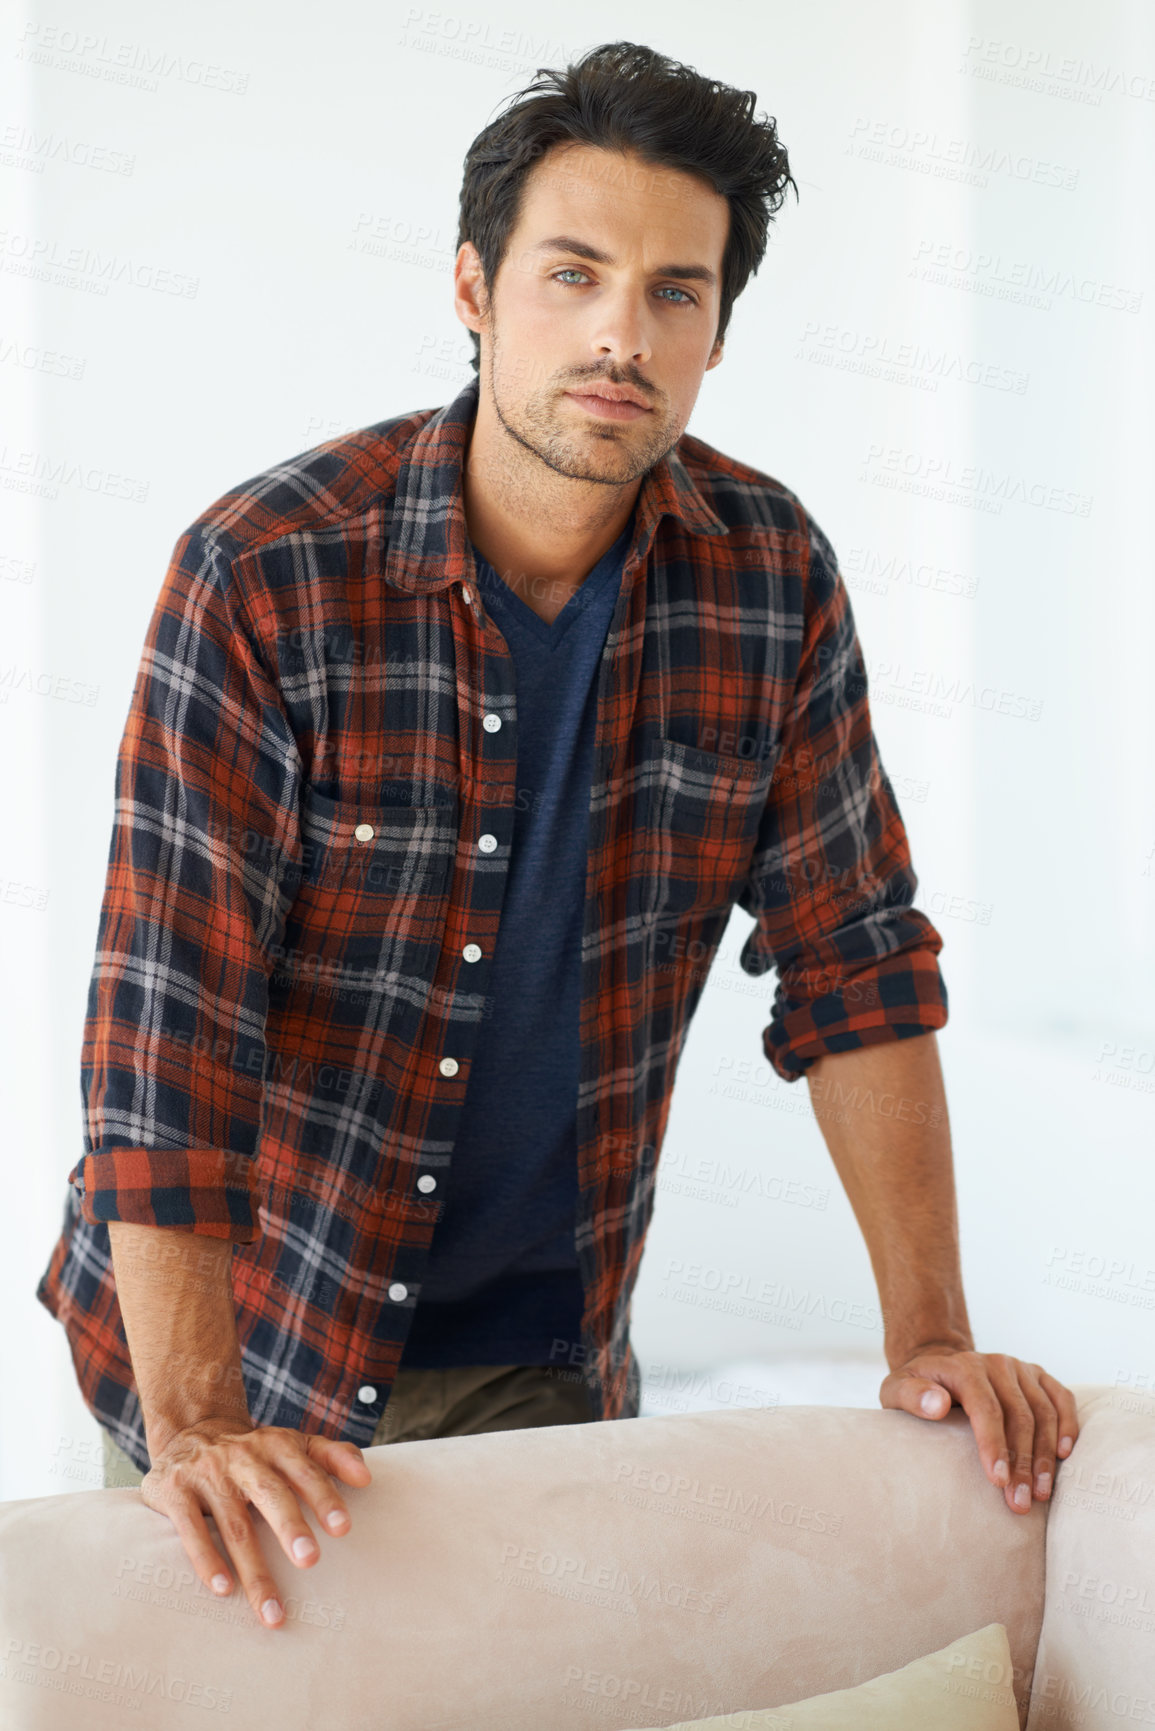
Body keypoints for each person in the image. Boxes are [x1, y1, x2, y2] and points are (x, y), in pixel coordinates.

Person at [36, 39, 1079, 1632]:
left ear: (720, 328)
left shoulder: (769, 578)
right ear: (474, 284)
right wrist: (194, 1423)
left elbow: (855, 964)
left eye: (675, 290)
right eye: (573, 272)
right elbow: (166, 1031)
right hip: (235, 1361)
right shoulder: (264, 575)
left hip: (539, 1372)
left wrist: (929, 1335)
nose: (619, 332)